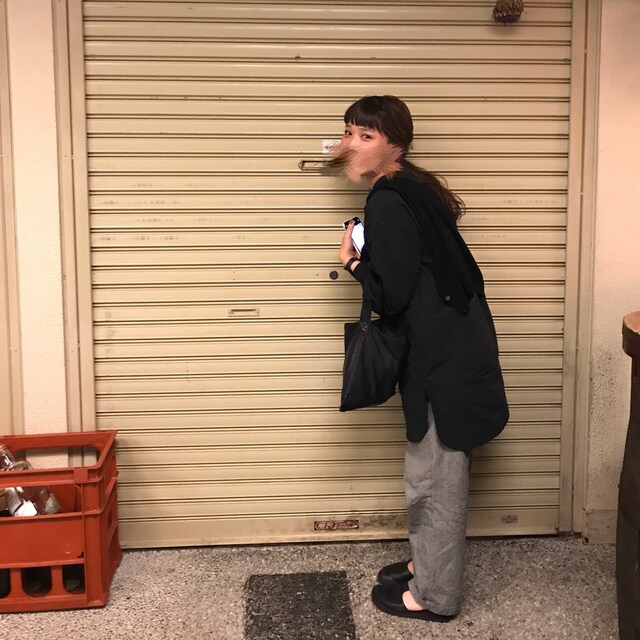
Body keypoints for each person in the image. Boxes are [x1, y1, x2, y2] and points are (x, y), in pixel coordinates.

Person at [335, 95, 509, 622]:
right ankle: (426, 564)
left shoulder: (389, 200)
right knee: (433, 470)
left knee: (434, 479)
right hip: (452, 348)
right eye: (348, 132)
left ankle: (435, 596)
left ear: (396, 145)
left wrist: (353, 262)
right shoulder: (413, 187)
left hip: (439, 362)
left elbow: (392, 295)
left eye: (365, 135)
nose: (350, 145)